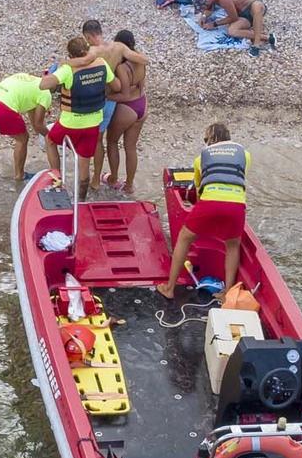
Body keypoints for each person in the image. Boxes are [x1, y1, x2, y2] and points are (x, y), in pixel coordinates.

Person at [157, 123, 251, 301]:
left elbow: (200, 189)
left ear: (209, 140)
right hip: (236, 205)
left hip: (210, 202)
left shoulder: (201, 157)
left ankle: (169, 288)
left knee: (185, 237)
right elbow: (239, 178)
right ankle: (227, 294)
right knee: (232, 245)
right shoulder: (244, 154)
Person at [43, 37, 113, 193]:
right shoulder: (101, 63)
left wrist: (57, 70)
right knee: (84, 164)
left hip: (70, 123)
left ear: (71, 55)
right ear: (87, 50)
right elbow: (115, 85)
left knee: (50, 141)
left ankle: (57, 179)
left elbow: (44, 85)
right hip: (93, 123)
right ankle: (81, 199)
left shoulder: (68, 69)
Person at [0, 71, 55, 179]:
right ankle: (20, 175)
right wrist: (51, 137)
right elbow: (38, 125)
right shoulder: (45, 94)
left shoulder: (26, 76)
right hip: (4, 109)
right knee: (23, 139)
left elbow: (33, 119)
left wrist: (39, 128)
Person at [100, 29, 148, 196]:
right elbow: (140, 86)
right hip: (142, 104)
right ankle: (129, 185)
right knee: (131, 147)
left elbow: (124, 94)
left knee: (112, 142)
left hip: (127, 107)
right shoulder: (140, 59)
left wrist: (107, 95)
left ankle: (113, 179)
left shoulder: (122, 67)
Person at [200, 0, 272, 49]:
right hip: (241, 13)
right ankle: (265, 36)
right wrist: (204, 16)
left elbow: (233, 18)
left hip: (251, 8)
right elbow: (209, 8)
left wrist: (214, 24)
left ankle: (262, 37)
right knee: (232, 30)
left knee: (256, 7)